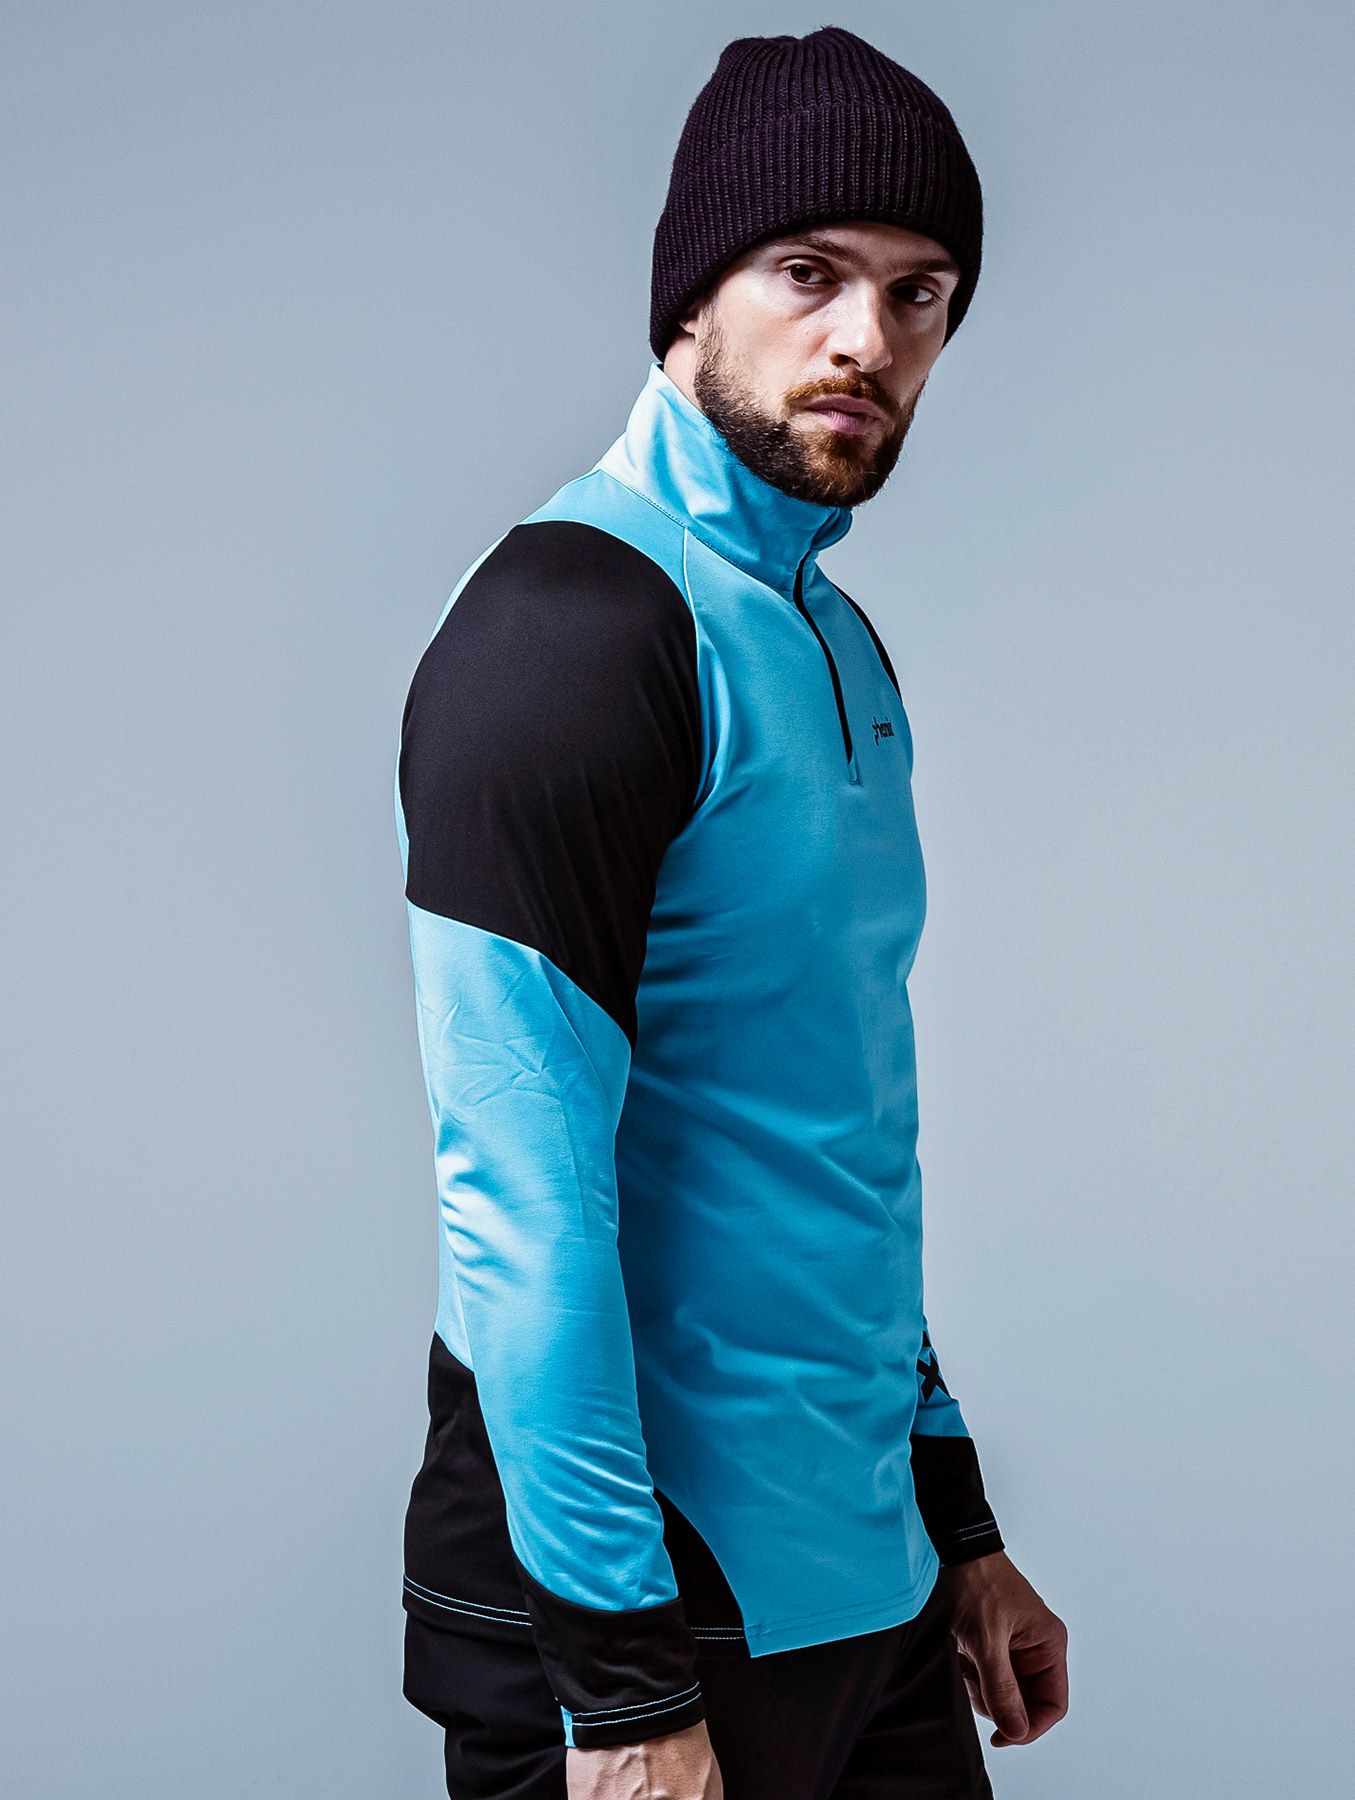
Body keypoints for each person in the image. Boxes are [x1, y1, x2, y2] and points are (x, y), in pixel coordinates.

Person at [394, 25, 1068, 1800]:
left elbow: (831, 1124)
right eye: (809, 273)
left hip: (865, 1588)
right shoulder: (573, 634)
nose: (869, 339)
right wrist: (622, 1692)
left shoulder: (833, 638)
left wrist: (956, 1524)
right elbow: (519, 1203)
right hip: (643, 1617)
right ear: (692, 295)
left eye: (921, 295)